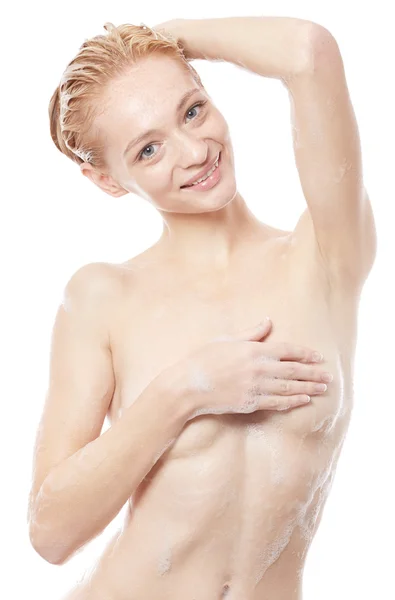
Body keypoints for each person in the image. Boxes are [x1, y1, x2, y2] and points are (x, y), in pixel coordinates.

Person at [28, 17, 377, 600]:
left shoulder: (323, 256)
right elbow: (51, 533)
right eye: (147, 149)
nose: (195, 152)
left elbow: (309, 52)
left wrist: (163, 38)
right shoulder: (102, 297)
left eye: (192, 110)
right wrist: (185, 390)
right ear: (107, 181)